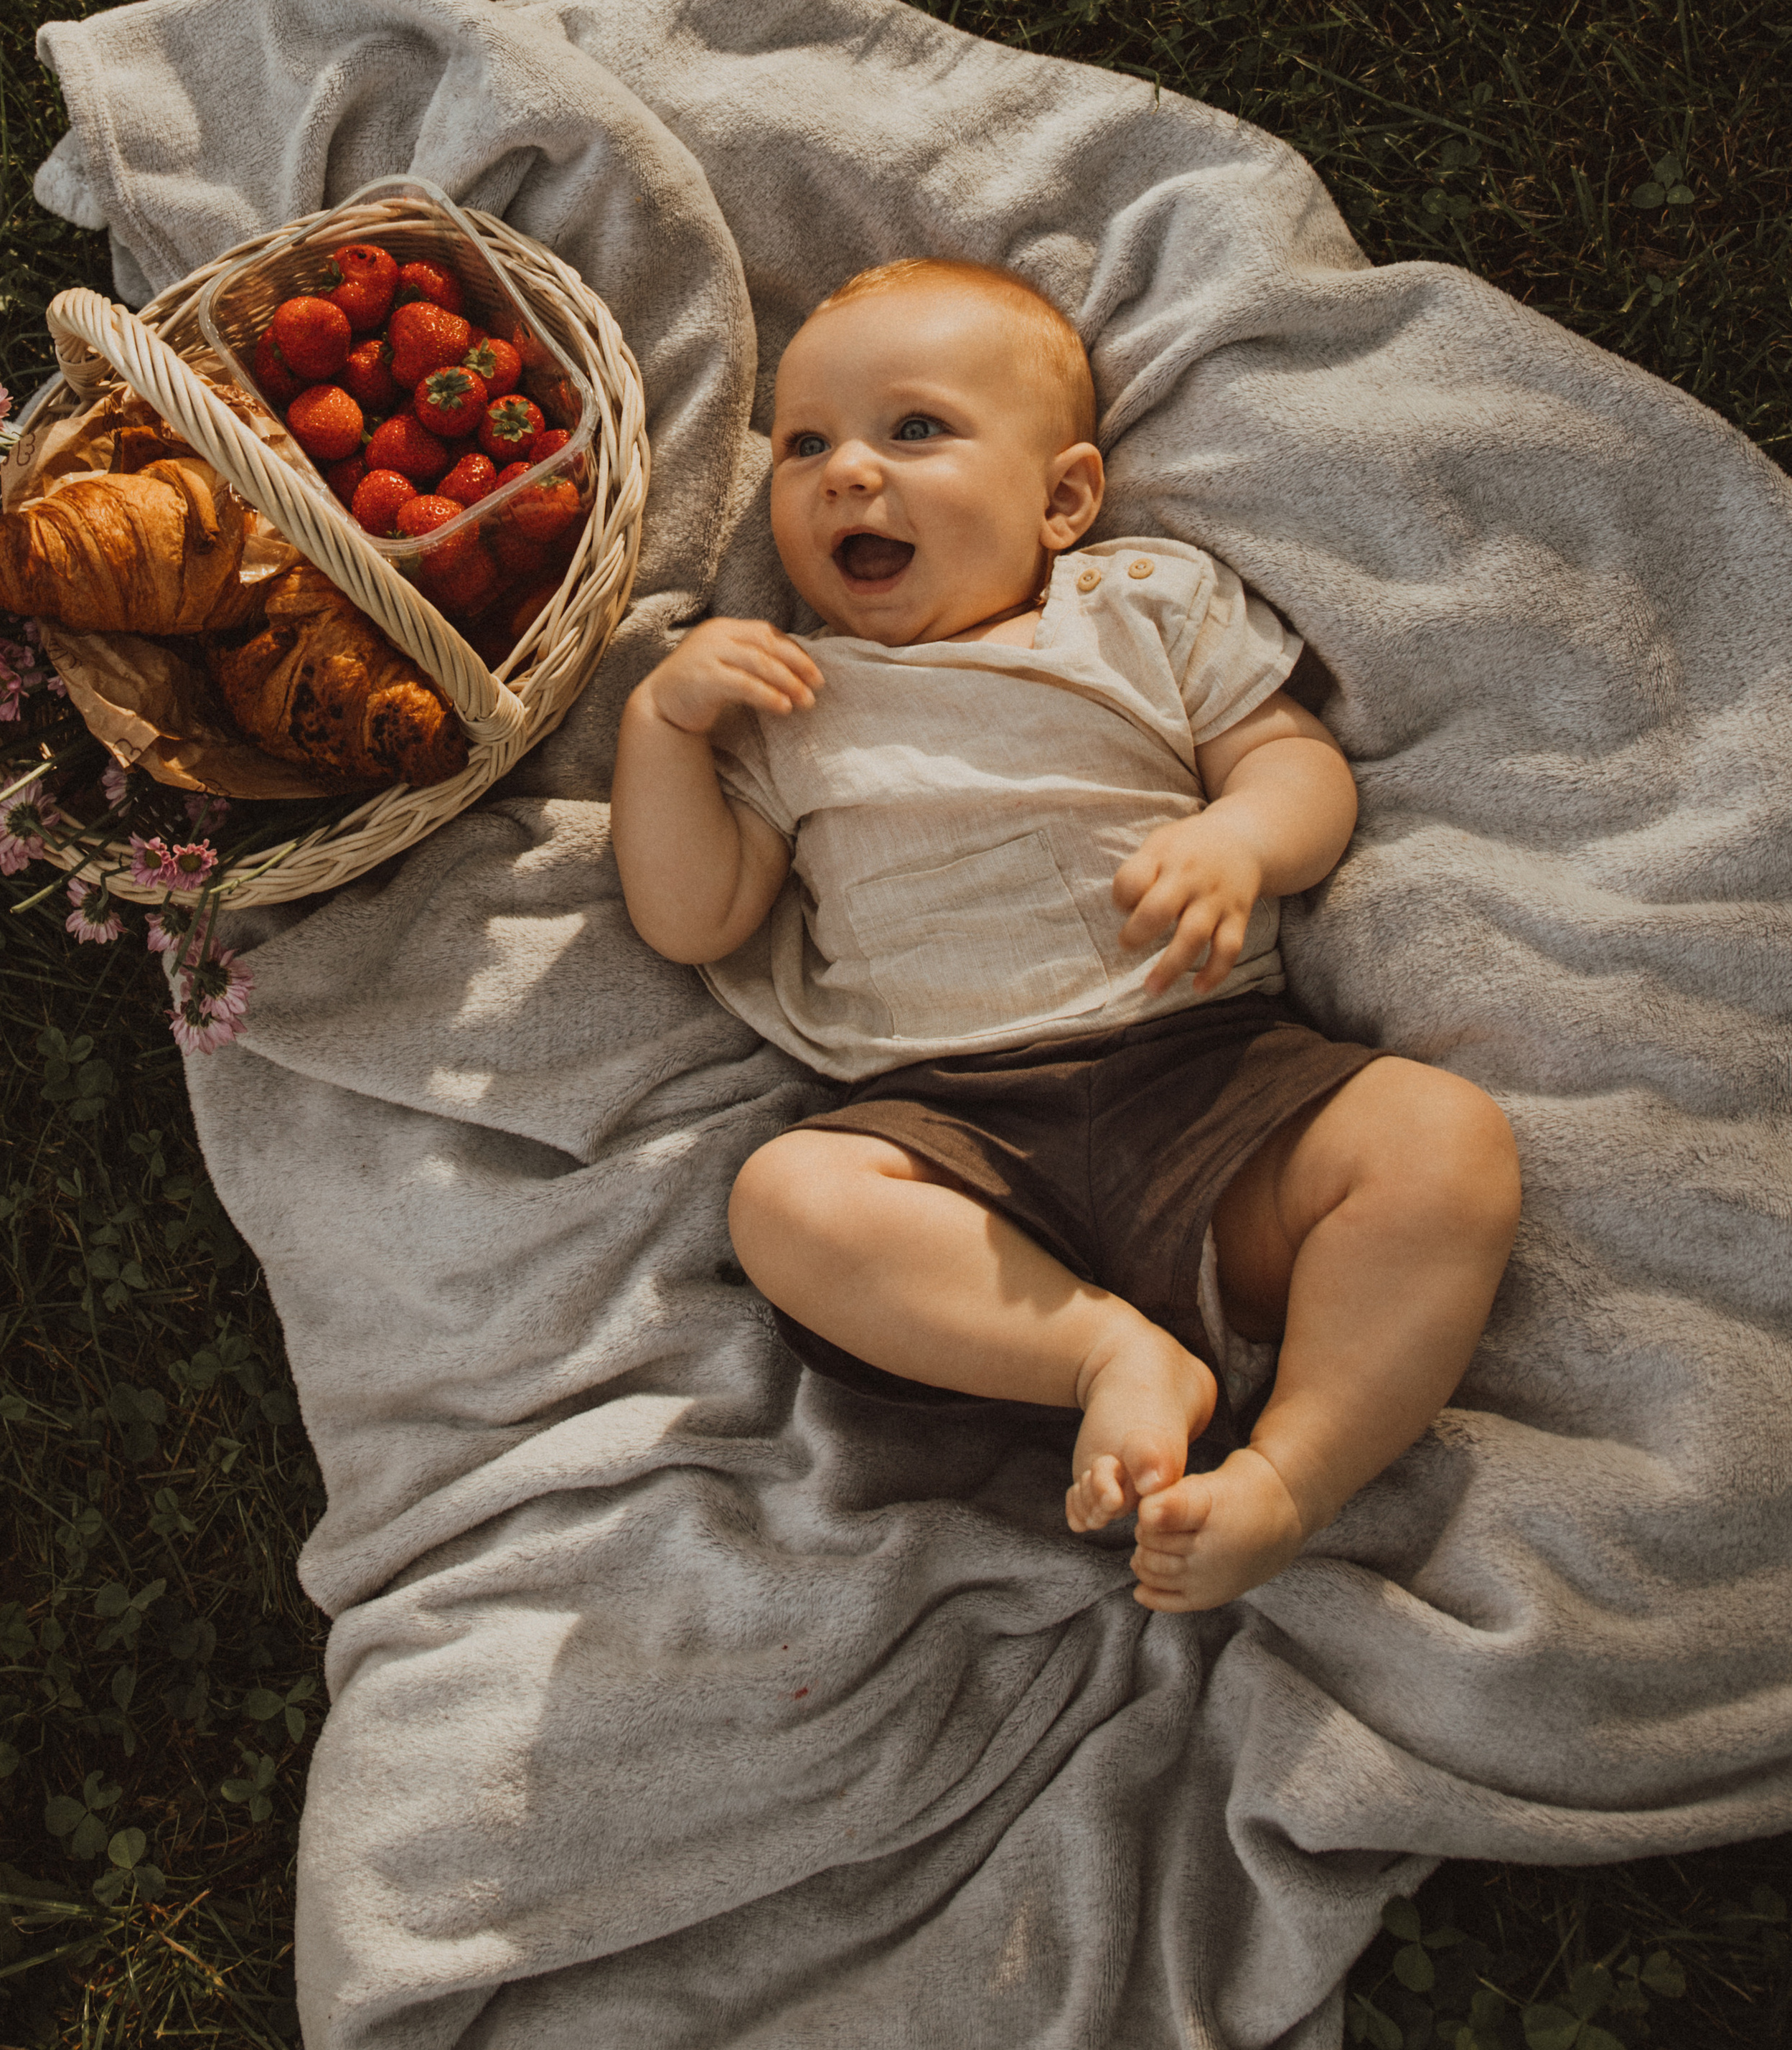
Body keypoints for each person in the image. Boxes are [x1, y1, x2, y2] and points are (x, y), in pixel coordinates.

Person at [610, 258, 1521, 1609]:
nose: (847, 472)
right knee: (786, 1201)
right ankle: (1108, 1356)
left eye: (914, 429)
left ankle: (1291, 1476)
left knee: (1440, 1141)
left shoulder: (1139, 606)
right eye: (805, 446)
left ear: (1063, 500)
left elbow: (1295, 767)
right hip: (950, 1142)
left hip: (1210, 1075)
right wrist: (664, 725)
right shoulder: (792, 697)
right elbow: (692, 916)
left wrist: (1241, 839)